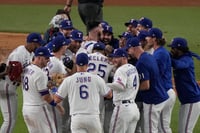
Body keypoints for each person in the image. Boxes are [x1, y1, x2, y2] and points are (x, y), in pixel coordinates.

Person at [54, 52, 112, 133]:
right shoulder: (96, 78)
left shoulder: (69, 80)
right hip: (93, 117)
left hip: (77, 118)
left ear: (76, 64)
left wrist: (52, 88)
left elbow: (56, 99)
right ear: (88, 64)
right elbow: (109, 95)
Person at [0, 33, 44, 133]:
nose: (39, 47)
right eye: (38, 44)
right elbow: (13, 77)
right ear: (32, 43)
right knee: (9, 120)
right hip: (6, 86)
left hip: (10, 87)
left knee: (11, 119)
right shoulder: (18, 54)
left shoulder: (31, 54)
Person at [126, 37, 169, 133]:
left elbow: (146, 85)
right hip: (161, 96)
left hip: (153, 100)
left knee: (150, 130)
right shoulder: (149, 56)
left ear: (134, 48)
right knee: (159, 128)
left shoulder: (141, 63)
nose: (128, 52)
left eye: (128, 49)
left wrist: (131, 89)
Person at [22, 47, 64, 133]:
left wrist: (52, 81)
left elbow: (36, 85)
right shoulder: (40, 74)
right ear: (39, 58)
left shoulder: (27, 69)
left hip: (26, 109)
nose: (48, 60)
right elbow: (46, 97)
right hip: (38, 110)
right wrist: (57, 105)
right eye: (46, 58)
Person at [168, 37, 200, 133]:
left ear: (180, 49)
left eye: (173, 48)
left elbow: (179, 65)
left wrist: (168, 58)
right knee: (182, 130)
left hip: (192, 101)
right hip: (186, 101)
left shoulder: (187, 59)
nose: (171, 50)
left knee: (186, 131)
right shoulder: (179, 57)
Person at [148, 28, 176, 133]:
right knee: (163, 127)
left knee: (162, 127)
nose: (147, 38)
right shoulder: (160, 52)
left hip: (164, 93)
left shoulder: (160, 54)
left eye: (149, 36)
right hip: (167, 91)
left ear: (154, 39)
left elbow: (157, 74)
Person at [107, 48, 140, 133]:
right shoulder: (133, 68)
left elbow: (120, 86)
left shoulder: (121, 70)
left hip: (123, 110)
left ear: (124, 58)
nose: (114, 60)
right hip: (134, 108)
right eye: (113, 57)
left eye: (117, 57)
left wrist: (105, 85)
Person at [45, 35, 71, 133]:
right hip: (54, 97)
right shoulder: (57, 63)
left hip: (49, 96)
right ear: (62, 46)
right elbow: (51, 82)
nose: (67, 47)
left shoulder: (50, 58)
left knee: (52, 126)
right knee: (57, 127)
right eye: (66, 45)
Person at [87, 42, 114, 133]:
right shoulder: (108, 60)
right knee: (98, 119)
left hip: (85, 90)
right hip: (100, 92)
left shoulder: (87, 57)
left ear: (93, 50)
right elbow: (113, 75)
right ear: (103, 51)